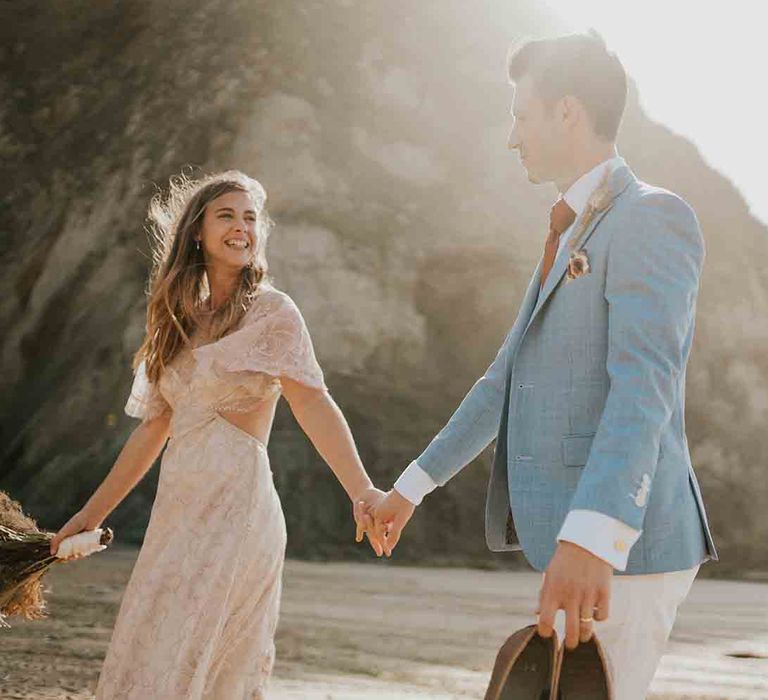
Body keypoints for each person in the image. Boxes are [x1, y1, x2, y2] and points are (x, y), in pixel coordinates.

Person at [367, 32, 717, 699]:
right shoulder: (569, 229)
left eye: (521, 115)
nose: (511, 137)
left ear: (567, 113)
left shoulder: (651, 217)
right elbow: (503, 382)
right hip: (582, 540)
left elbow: (645, 388)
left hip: (628, 547)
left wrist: (594, 539)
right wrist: (407, 491)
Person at [50, 170, 385, 699]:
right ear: (197, 232)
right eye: (226, 215)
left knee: (210, 654)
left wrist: (363, 490)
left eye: (250, 218)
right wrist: (89, 517)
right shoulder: (176, 320)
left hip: (238, 507)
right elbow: (153, 429)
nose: (241, 227)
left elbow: (312, 401)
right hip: (177, 511)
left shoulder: (274, 313)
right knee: (153, 642)